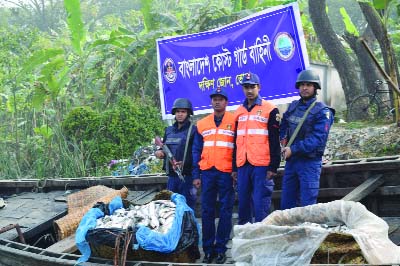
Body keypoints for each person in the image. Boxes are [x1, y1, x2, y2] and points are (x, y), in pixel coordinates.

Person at [192, 87, 236, 264]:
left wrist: (235, 170)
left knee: (226, 211)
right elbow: (196, 151)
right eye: (214, 99)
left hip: (226, 173)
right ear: (211, 102)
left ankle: (221, 250)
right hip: (208, 172)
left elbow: (239, 148)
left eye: (221, 99)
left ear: (226, 102)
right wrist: (196, 174)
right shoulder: (202, 124)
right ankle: (208, 250)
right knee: (207, 211)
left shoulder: (235, 121)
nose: (217, 101)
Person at [280, 69, 335, 210]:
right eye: (302, 85)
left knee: (307, 207)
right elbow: (283, 126)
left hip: (309, 163)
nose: (304, 88)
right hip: (291, 163)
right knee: (287, 205)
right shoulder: (292, 107)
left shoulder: (323, 111)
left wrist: (293, 149)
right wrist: (282, 142)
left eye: (309, 85)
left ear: (315, 88)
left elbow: (317, 140)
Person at [234, 72, 281, 225]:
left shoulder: (270, 109)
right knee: (243, 206)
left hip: (262, 165)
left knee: (261, 206)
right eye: (246, 87)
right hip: (243, 165)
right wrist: (235, 167)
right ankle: (245, 242)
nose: (249, 90)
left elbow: (275, 140)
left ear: (259, 87)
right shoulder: (238, 112)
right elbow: (236, 141)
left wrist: (273, 165)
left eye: (252, 87)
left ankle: (261, 241)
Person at [155, 98, 197, 210]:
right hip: (171, 178)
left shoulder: (193, 130)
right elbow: (162, 147)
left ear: (188, 113)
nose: (180, 114)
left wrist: (185, 163)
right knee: (171, 208)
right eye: (178, 111)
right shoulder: (168, 130)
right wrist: (159, 152)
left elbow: (197, 153)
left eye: (183, 112)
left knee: (186, 208)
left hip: (186, 177)